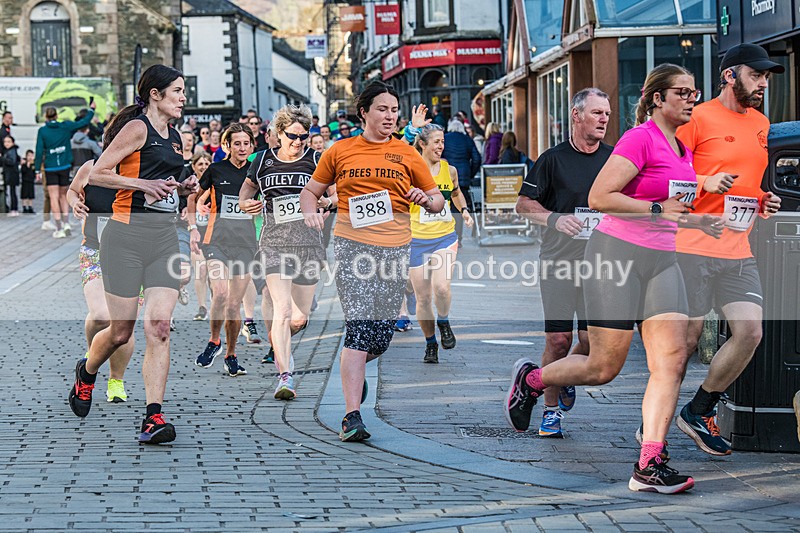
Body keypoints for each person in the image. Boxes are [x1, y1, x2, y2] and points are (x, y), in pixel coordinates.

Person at [504, 64, 724, 493]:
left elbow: (670, 206)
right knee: (603, 367)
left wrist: (700, 222)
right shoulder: (638, 138)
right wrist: (660, 209)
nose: (691, 99)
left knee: (673, 358)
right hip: (617, 255)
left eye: (694, 92)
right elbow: (600, 197)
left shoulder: (682, 149)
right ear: (657, 98)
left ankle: (650, 462)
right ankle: (532, 381)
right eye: (682, 92)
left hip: (662, 258)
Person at [300, 82, 444, 442]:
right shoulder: (341, 151)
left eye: (394, 110)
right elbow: (310, 191)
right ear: (364, 112)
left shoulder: (408, 154)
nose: (390, 116)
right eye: (382, 109)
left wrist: (424, 200)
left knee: (379, 337)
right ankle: (351, 416)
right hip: (352, 247)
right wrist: (310, 214)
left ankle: (356, 370)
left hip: (395, 249)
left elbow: (438, 200)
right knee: (360, 330)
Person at [71, 64, 199, 445]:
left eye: (183, 91)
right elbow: (98, 173)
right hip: (124, 238)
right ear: (155, 94)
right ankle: (88, 371)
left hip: (164, 239)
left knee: (158, 326)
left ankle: (153, 417)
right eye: (176, 90)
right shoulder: (137, 128)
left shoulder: (175, 137)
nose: (182, 97)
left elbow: (166, 187)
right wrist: (142, 184)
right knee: (120, 330)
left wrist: (184, 187)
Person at [674, 43, 783, 456]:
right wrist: (705, 183)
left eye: (766, 78)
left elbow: (749, 186)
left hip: (738, 250)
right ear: (729, 75)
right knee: (685, 342)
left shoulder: (761, 123)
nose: (762, 84)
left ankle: (699, 410)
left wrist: (762, 201)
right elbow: (672, 181)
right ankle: (654, 424)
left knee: (750, 332)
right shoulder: (696, 119)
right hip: (691, 247)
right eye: (756, 76)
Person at [514, 88, 613, 437]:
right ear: (577, 115)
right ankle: (551, 411)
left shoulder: (615, 160)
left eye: (607, 113)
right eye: (597, 112)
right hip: (558, 261)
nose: (604, 119)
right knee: (558, 340)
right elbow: (524, 204)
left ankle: (564, 373)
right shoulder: (552, 159)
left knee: (589, 343)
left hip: (600, 265)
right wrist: (555, 218)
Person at [239, 103, 328, 400]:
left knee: (299, 317)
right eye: (292, 135)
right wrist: (246, 205)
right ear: (279, 133)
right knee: (283, 309)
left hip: (309, 246)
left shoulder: (316, 160)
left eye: (304, 136)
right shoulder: (262, 160)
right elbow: (246, 192)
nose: (298, 142)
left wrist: (323, 206)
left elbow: (335, 195)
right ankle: (285, 375)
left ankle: (281, 346)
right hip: (274, 244)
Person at [67, 158, 136, 404]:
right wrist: (75, 203)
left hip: (130, 255)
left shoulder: (142, 169)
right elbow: (73, 190)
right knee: (100, 315)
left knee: (123, 324)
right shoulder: (91, 167)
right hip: (94, 251)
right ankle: (93, 354)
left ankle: (116, 380)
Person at [190, 123, 255, 377]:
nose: (241, 147)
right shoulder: (216, 169)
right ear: (227, 145)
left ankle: (231, 354)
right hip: (216, 239)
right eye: (236, 143)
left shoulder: (255, 172)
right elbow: (195, 197)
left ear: (251, 146)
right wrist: (195, 221)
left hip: (246, 243)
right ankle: (214, 340)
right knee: (219, 293)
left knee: (234, 306)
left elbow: (267, 198)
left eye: (245, 143)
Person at [406, 122, 474, 364]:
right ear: (422, 144)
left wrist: (464, 210)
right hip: (415, 240)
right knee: (422, 298)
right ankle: (430, 343)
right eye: (436, 142)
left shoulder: (450, 170)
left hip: (444, 236)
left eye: (442, 142)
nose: (441, 146)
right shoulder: (410, 171)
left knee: (442, 288)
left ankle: (443, 321)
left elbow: (455, 193)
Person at [35, 103, 96, 237]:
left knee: (53, 197)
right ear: (56, 115)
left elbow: (39, 150)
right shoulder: (65, 126)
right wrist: (92, 110)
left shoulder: (43, 131)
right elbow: (83, 122)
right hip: (64, 165)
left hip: (51, 166)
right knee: (64, 195)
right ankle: (66, 223)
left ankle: (59, 228)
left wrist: (37, 170)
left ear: (46, 117)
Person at [442, 118, 481, 245]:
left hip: (445, 174)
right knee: (459, 207)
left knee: (445, 206)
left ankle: (447, 235)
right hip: (463, 176)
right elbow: (477, 158)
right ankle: (458, 237)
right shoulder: (467, 139)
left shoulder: (445, 138)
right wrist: (470, 173)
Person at [186, 152, 212, 321]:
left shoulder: (215, 181)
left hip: (212, 231)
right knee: (201, 270)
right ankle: (202, 306)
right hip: (196, 230)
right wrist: (191, 226)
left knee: (214, 272)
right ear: (194, 166)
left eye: (206, 163)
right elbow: (185, 204)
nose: (203, 166)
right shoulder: (190, 184)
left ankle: (215, 302)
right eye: (200, 164)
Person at [2, 135, 21, 216]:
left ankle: (14, 209)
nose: (6, 143)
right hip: (10, 174)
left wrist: (2, 158)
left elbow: (11, 161)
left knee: (12, 192)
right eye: (5, 142)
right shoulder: (8, 151)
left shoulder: (12, 151)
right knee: (11, 192)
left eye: (8, 141)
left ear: (12, 142)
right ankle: (13, 208)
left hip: (12, 174)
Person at [20, 149, 36, 214]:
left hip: (31, 181)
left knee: (31, 195)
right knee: (24, 194)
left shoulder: (33, 164)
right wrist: (27, 165)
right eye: (29, 155)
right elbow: (23, 171)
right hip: (25, 181)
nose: (30, 157)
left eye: (32, 155)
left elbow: (34, 172)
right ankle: (24, 207)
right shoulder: (24, 164)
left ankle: (30, 207)